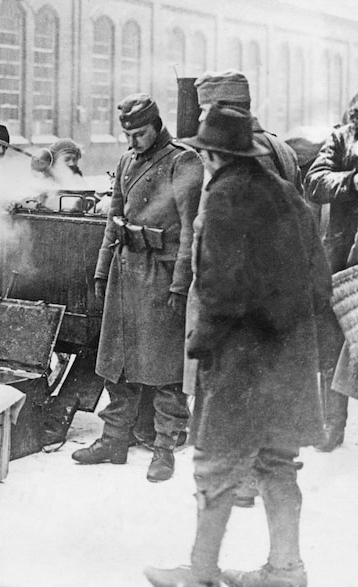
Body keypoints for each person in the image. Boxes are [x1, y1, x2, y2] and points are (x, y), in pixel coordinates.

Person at [144, 103, 330, 587]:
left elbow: (220, 292)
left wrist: (201, 346)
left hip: (241, 363)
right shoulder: (287, 194)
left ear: (210, 154)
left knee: (216, 466)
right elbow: (320, 287)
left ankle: (200, 574)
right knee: (277, 463)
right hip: (290, 360)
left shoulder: (224, 198)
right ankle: (287, 570)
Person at [71, 93, 202, 483]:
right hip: (124, 273)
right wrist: (101, 270)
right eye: (127, 134)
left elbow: (192, 231)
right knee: (117, 362)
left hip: (160, 275)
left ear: (157, 125)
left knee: (165, 370)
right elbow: (113, 220)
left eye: (140, 133)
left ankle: (164, 448)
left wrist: (180, 286)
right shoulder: (127, 161)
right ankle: (113, 440)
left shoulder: (183, 160)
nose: (132, 142)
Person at [303, 102, 358, 451]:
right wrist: (352, 181)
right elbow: (313, 181)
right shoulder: (342, 138)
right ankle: (332, 423)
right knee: (334, 340)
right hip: (342, 257)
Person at [194, 69, 302, 192]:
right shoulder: (283, 148)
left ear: (226, 111)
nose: (200, 117)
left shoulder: (237, 151)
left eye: (205, 110)